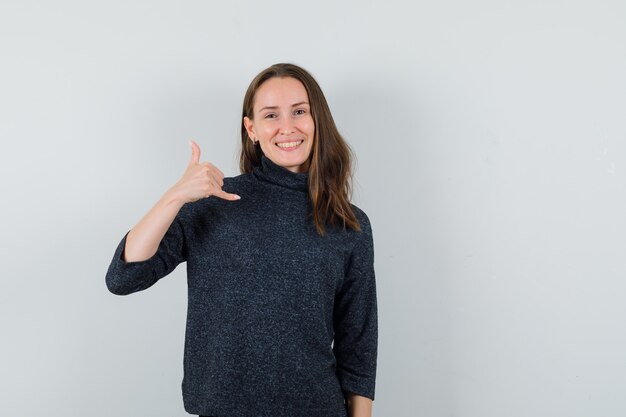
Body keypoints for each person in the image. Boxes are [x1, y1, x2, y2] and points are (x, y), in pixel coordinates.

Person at [105, 63, 378, 417]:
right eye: (270, 115)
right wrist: (174, 197)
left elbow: (358, 346)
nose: (287, 127)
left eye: (299, 111)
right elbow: (123, 277)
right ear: (251, 129)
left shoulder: (350, 224)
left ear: (317, 120)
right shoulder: (213, 202)